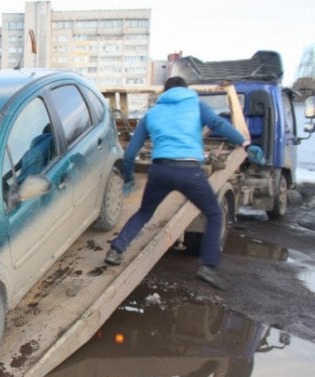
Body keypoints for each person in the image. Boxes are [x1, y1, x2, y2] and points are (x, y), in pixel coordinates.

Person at [104, 77, 265, 290]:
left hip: (160, 170)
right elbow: (219, 125)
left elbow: (130, 152)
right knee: (214, 214)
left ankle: (116, 250)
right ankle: (207, 266)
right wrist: (245, 144)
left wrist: (130, 177)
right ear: (185, 89)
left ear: (165, 92)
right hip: (190, 172)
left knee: (144, 212)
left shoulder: (152, 113)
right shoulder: (196, 104)